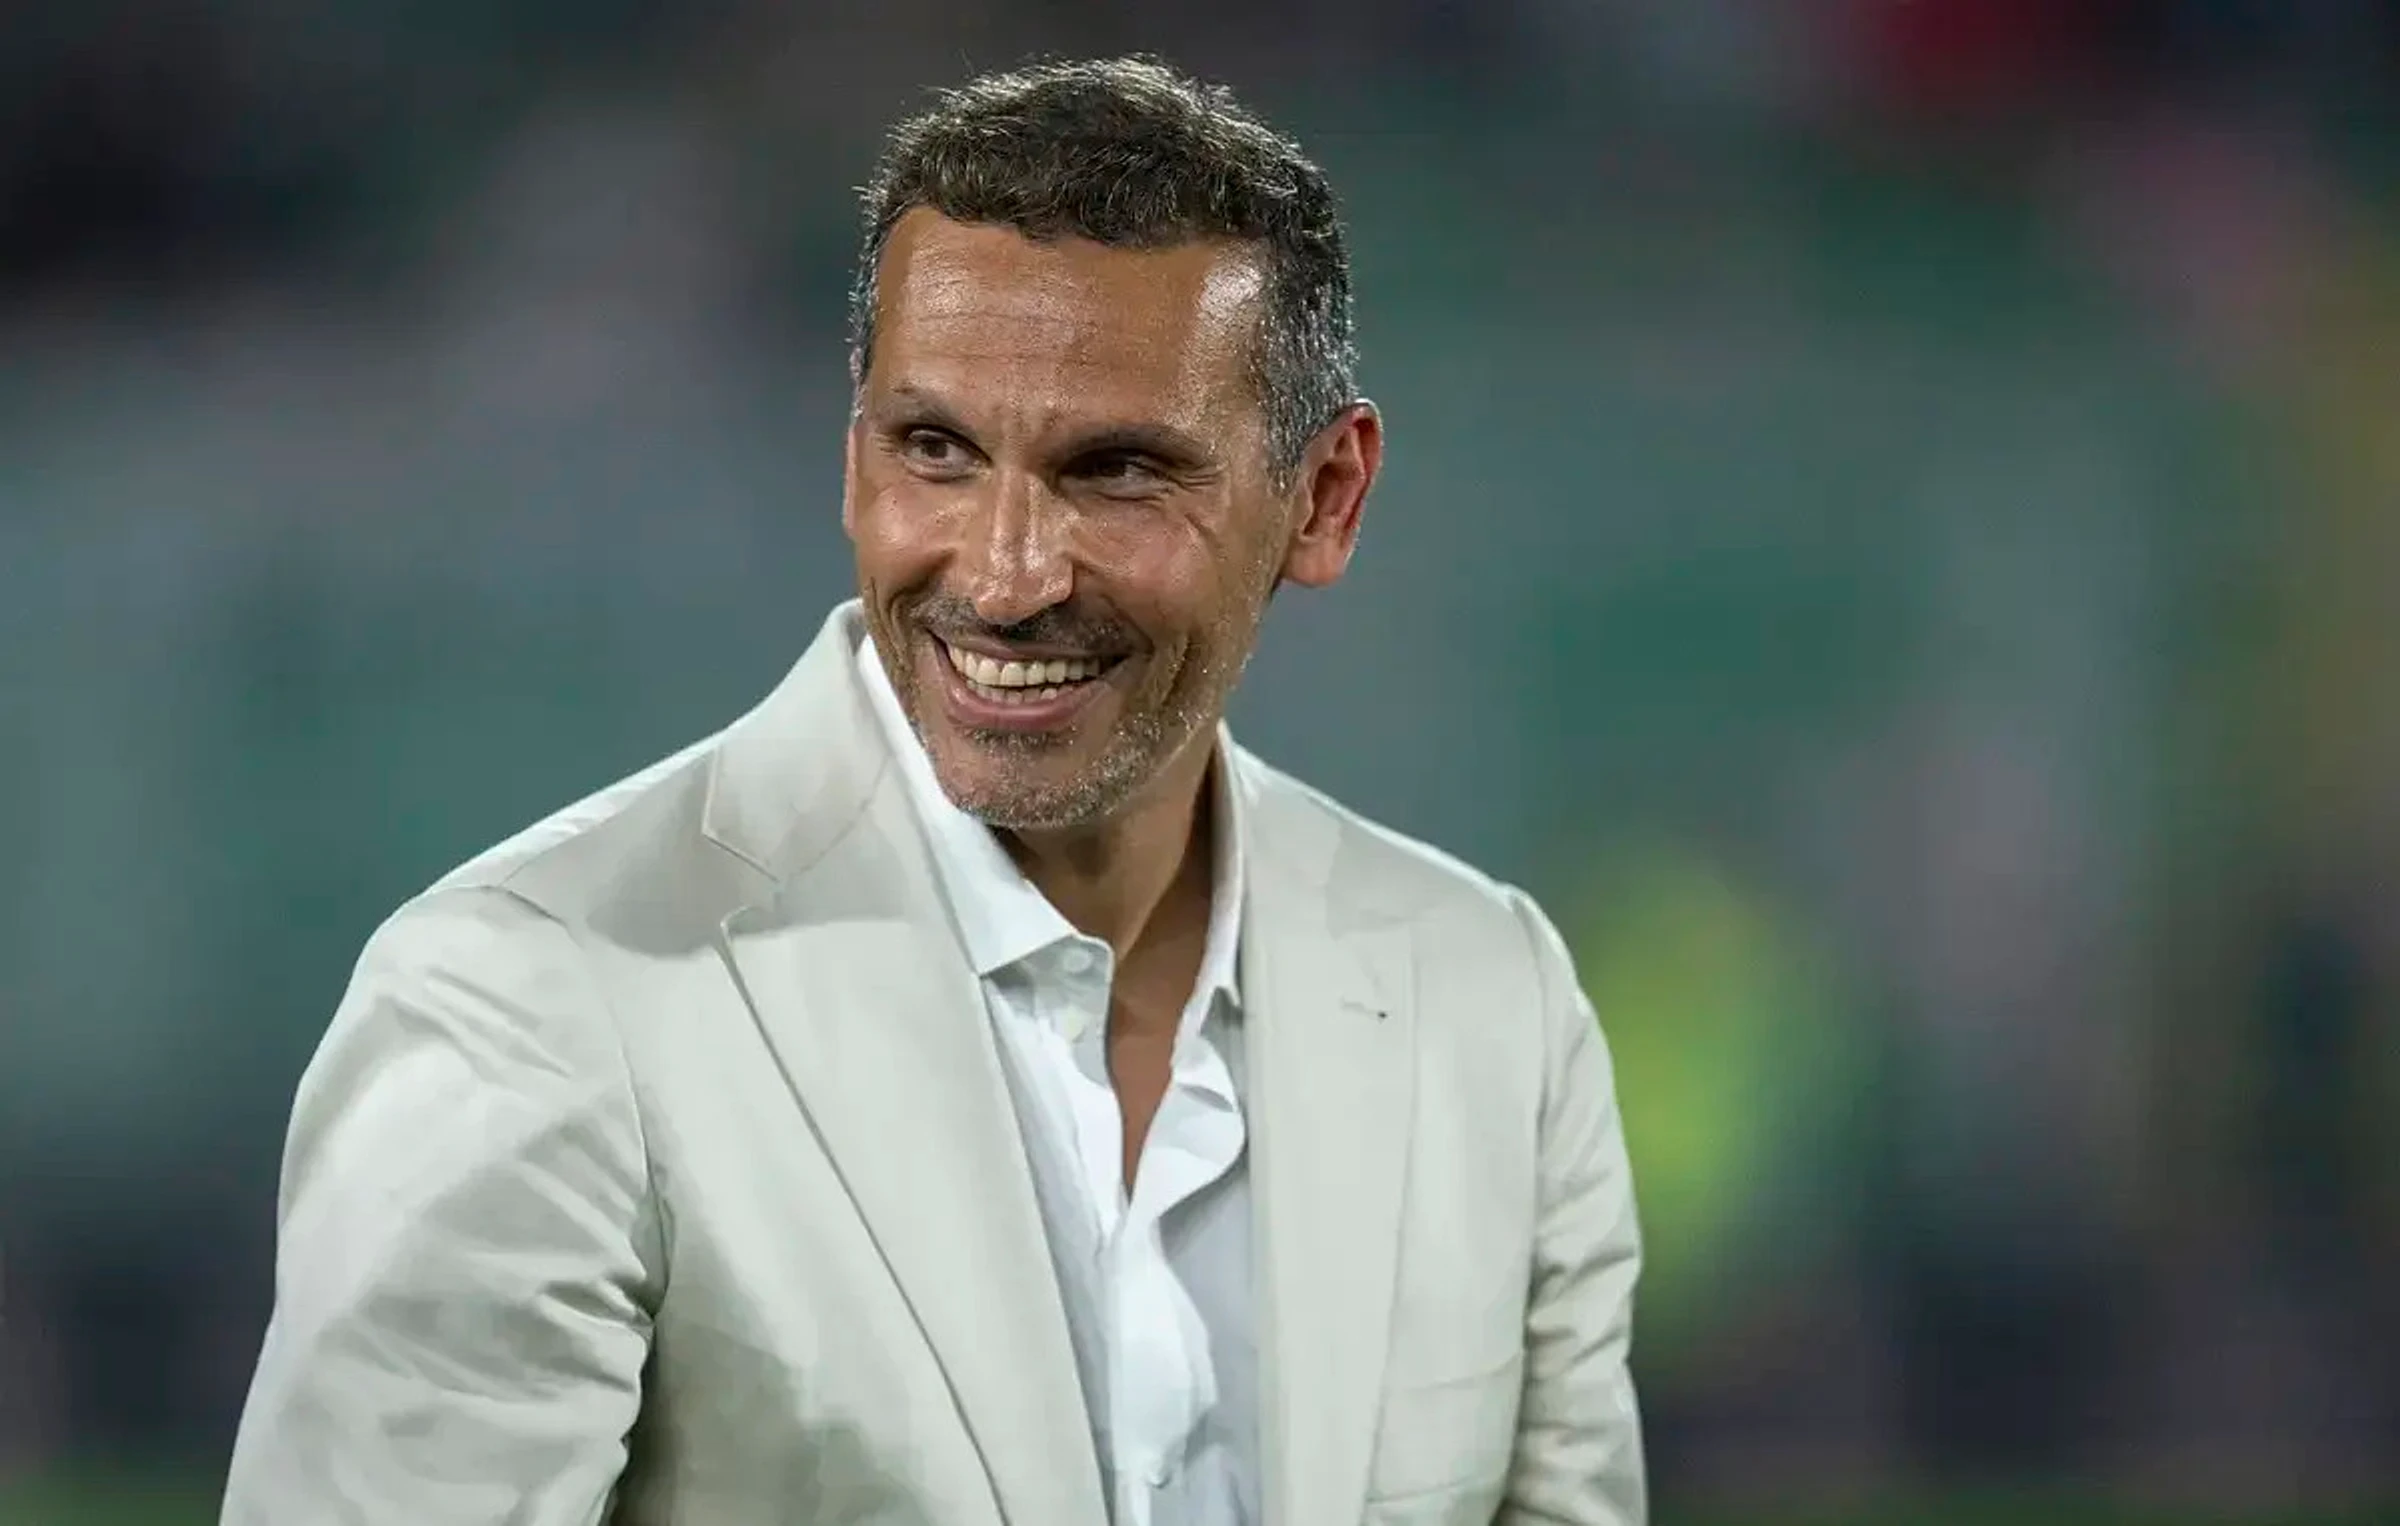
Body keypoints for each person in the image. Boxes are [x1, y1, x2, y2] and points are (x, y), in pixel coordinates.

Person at [221, 55, 1644, 1526]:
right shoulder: (526, 1003)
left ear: (1325, 497)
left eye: (1118, 471)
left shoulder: (1494, 1003)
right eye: (938, 451)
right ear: (856, 463)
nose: (1007, 575)